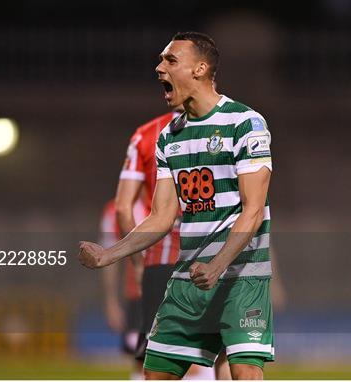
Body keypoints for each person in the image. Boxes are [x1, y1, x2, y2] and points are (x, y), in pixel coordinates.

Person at [79, 31, 273, 380]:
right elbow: (162, 216)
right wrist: (110, 254)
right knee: (155, 374)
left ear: (200, 69)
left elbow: (253, 210)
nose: (159, 68)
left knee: (243, 371)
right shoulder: (170, 135)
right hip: (189, 278)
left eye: (170, 60)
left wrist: (217, 266)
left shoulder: (246, 123)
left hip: (241, 278)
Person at [116, 110, 231, 380]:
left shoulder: (146, 135)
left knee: (153, 358)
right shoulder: (232, 126)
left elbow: (123, 209)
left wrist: (137, 264)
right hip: (214, 257)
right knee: (222, 354)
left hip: (161, 260)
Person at [100, 198, 147, 380]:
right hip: (139, 300)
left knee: (188, 363)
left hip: (177, 296)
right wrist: (111, 302)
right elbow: (108, 259)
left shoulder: (177, 201)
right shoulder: (116, 211)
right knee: (141, 364)